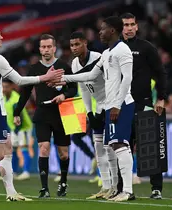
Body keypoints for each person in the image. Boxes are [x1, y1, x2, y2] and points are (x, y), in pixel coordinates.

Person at [0, 23, 63, 202]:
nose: (1, 38)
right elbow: (19, 80)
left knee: (8, 149)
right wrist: (45, 77)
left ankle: (11, 193)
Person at [53, 16, 135, 202]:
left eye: (103, 28)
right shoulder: (106, 54)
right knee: (110, 146)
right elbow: (89, 76)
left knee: (120, 145)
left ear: (113, 30)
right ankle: (113, 188)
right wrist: (64, 79)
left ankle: (128, 191)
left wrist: (117, 104)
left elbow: (127, 79)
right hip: (107, 106)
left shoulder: (123, 49)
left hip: (120, 104)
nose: (100, 32)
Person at [13, 34, 77, 198]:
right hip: (42, 113)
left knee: (63, 152)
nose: (46, 50)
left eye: (49, 47)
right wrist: (17, 111)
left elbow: (74, 88)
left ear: (55, 48)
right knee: (44, 147)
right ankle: (44, 188)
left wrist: (64, 95)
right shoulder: (34, 69)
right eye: (43, 47)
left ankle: (63, 182)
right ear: (40, 49)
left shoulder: (64, 66)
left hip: (62, 112)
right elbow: (25, 92)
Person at [120, 13, 167, 199]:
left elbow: (160, 73)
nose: (129, 28)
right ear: (120, 28)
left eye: (132, 24)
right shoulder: (114, 50)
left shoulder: (146, 48)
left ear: (137, 27)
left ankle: (156, 189)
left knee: (150, 147)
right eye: (126, 25)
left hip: (144, 104)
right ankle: (122, 188)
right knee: (122, 147)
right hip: (121, 105)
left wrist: (161, 98)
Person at [69, 31, 118, 200]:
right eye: (72, 45)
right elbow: (83, 89)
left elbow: (110, 80)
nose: (74, 48)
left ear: (85, 43)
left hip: (111, 104)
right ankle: (105, 186)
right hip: (97, 107)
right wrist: (89, 112)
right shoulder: (75, 63)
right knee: (98, 148)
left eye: (77, 44)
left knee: (109, 147)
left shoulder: (98, 58)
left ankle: (115, 186)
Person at [2, 79, 32, 180]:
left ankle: (26, 171)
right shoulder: (4, 98)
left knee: (24, 147)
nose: (4, 89)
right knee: (13, 149)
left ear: (11, 87)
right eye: (3, 87)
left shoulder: (15, 99)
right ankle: (13, 172)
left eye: (6, 87)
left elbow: (21, 116)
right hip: (14, 127)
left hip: (23, 127)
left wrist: (17, 130)